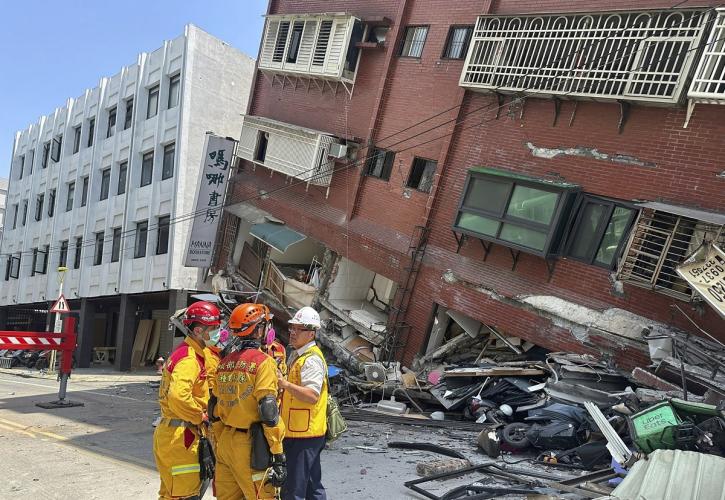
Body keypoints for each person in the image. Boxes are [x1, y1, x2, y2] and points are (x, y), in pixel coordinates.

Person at [213, 303, 287, 500]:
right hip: (251, 447)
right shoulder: (264, 362)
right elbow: (268, 410)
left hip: (225, 442)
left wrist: (221, 440)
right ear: (259, 329)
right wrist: (278, 454)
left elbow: (214, 406)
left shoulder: (224, 363)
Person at [153, 301, 221, 500]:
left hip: (173, 434)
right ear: (199, 330)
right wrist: (200, 416)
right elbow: (178, 396)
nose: (217, 333)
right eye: (214, 329)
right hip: (181, 438)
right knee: (185, 495)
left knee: (170, 495)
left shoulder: (188, 353)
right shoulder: (189, 359)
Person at [278, 306, 328, 500]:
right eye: (292, 328)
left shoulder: (311, 360)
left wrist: (285, 384)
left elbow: (311, 395)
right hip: (301, 431)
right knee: (310, 485)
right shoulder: (298, 355)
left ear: (311, 333)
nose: (293, 333)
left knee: (294, 488)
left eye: (299, 330)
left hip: (304, 434)